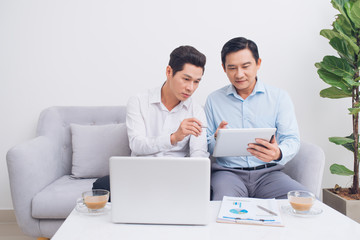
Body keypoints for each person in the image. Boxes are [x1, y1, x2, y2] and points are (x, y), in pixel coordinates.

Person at [93, 45, 209, 192]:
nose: (190, 88)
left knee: (207, 191)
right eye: (186, 79)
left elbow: (198, 155)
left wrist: (192, 178)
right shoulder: (139, 102)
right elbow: (136, 144)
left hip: (176, 175)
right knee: (101, 186)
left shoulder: (196, 111)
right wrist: (173, 138)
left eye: (196, 82)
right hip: (141, 172)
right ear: (169, 71)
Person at [205, 37, 308, 200]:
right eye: (231, 68)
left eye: (245, 66)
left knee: (307, 201)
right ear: (224, 68)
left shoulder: (279, 97)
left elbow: (292, 139)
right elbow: (206, 146)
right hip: (228, 174)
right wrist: (216, 139)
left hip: (269, 175)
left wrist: (278, 153)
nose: (239, 74)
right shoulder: (214, 100)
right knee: (221, 205)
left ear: (258, 63)